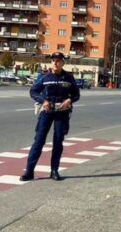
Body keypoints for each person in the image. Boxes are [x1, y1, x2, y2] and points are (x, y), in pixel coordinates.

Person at [20, 52, 80, 181]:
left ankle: (54, 171)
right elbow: (33, 91)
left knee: (58, 141)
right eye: (53, 60)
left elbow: (76, 94)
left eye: (58, 61)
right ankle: (29, 171)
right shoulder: (44, 76)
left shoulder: (68, 77)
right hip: (47, 111)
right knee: (39, 141)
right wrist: (43, 100)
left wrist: (70, 100)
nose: (55, 63)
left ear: (63, 62)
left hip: (62, 112)